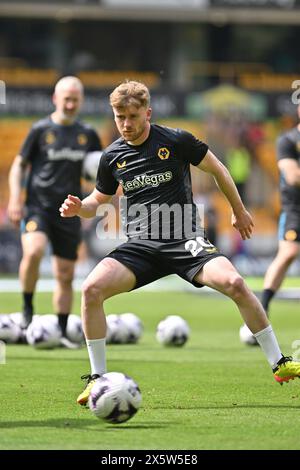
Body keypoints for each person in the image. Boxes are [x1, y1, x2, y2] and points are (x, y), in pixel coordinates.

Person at [59, 80, 300, 403]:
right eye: (120, 117)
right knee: (91, 290)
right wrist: (79, 208)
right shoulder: (112, 156)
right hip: (142, 246)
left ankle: (279, 363)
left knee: (236, 283)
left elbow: (219, 170)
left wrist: (238, 211)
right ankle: (97, 379)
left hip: (185, 240)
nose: (126, 124)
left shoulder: (175, 140)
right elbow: (96, 200)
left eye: (132, 116)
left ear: (148, 112)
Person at [7, 76, 102, 348]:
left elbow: (99, 171)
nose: (70, 104)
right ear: (55, 99)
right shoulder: (40, 130)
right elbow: (18, 166)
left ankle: (60, 331)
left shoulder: (88, 134)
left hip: (69, 211)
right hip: (38, 207)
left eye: (75, 99)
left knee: (65, 274)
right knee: (34, 251)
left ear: (81, 101)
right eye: (66, 98)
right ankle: (27, 311)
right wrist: (16, 198)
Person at [261, 106, 300, 315]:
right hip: (296, 209)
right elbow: (293, 177)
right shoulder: (288, 140)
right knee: (288, 253)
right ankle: (263, 305)